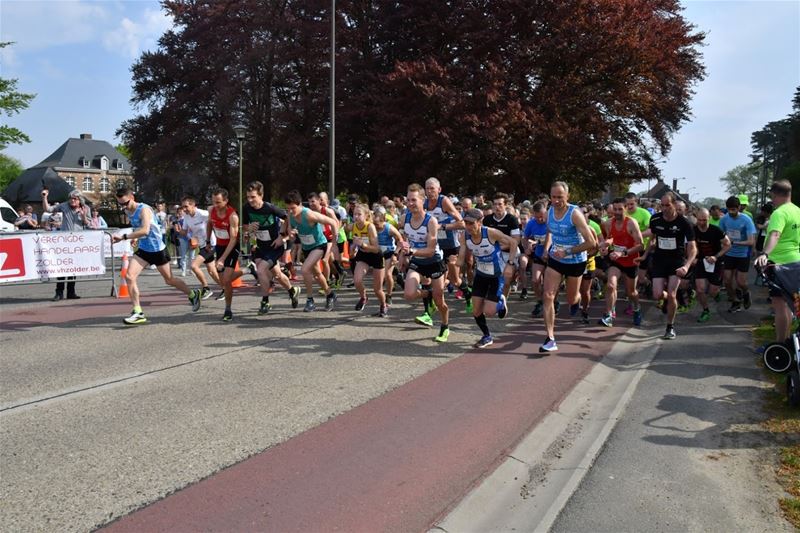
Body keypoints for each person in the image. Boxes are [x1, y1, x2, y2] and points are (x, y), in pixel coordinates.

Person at [111, 187, 201, 324]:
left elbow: (146, 230)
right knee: (129, 276)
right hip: (144, 250)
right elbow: (139, 228)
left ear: (132, 198)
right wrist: (135, 238)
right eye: (120, 204)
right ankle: (137, 311)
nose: (124, 206)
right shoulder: (128, 210)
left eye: (125, 203)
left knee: (169, 280)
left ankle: (193, 294)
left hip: (158, 250)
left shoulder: (144, 210)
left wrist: (125, 237)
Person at [540, 181, 597, 352]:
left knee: (572, 298)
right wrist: (547, 246)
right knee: (548, 295)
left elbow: (591, 242)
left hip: (575, 261)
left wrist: (568, 251)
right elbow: (550, 230)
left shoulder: (574, 214)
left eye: (560, 197)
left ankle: (576, 301)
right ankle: (550, 338)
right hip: (556, 259)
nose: (557, 201)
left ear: (568, 197)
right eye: (554, 197)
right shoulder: (550, 211)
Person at [640, 192, 697, 339]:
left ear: (674, 205)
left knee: (671, 293)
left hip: (676, 261)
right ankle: (671, 299)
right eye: (662, 205)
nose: (664, 208)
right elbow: (652, 240)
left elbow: (692, 247)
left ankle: (670, 327)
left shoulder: (684, 223)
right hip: (659, 260)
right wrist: (645, 255)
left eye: (667, 205)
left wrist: (687, 265)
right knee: (657, 294)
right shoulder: (656, 219)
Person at [458, 208, 518, 348]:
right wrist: (455, 262)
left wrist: (510, 264)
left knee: (489, 312)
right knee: (476, 310)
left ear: (480, 222)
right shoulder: (464, 236)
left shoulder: (491, 233)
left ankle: (501, 301)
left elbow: (513, 243)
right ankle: (487, 336)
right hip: (481, 275)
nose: (468, 227)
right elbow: (461, 260)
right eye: (466, 223)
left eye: (471, 223)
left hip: (496, 276)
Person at [242, 181, 301, 314]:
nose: (250, 200)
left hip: (274, 246)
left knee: (261, 270)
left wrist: (282, 236)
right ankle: (292, 290)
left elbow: (288, 218)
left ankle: (265, 301)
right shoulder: (246, 208)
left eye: (253, 197)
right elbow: (246, 227)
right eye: (248, 197)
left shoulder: (270, 208)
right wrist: (248, 230)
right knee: (278, 275)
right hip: (261, 246)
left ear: (261, 195)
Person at [402, 183, 450, 342]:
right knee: (409, 293)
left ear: (423, 200)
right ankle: (429, 294)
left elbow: (430, 250)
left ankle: (445, 326)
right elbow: (405, 240)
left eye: (414, 200)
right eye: (408, 200)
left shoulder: (431, 221)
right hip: (417, 262)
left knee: (440, 301)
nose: (410, 203)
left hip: (434, 261)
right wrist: (402, 253)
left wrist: (412, 251)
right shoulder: (404, 218)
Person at [755, 180, 800, 344]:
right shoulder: (797, 210)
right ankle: (787, 342)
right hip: (796, 262)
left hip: (779, 264)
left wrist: (765, 253)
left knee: (780, 306)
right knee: (788, 305)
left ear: (776, 194)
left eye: (771, 196)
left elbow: (775, 235)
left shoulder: (779, 213)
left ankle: (780, 345)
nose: (771, 200)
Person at [282, 189, 339, 312]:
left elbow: (333, 222)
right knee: (318, 275)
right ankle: (330, 294)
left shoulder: (308, 214)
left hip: (320, 245)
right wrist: (291, 234)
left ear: (300, 204)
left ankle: (310, 300)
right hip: (307, 247)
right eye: (288, 209)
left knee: (305, 269)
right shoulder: (290, 215)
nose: (291, 211)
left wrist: (334, 243)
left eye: (293, 208)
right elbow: (290, 235)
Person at [424, 177, 469, 311]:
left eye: (432, 188)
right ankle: (434, 307)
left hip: (450, 244)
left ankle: (468, 294)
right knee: (435, 280)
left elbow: (461, 223)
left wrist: (441, 226)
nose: (430, 191)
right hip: (435, 246)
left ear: (439, 189)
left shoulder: (443, 201)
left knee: (455, 280)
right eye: (427, 188)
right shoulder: (424, 203)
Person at [598, 198, 645, 327]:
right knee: (611, 285)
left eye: (620, 209)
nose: (617, 212)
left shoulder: (631, 223)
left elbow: (640, 245)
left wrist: (623, 253)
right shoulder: (608, 223)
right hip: (616, 261)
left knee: (631, 292)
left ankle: (637, 308)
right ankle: (608, 315)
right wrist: (605, 247)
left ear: (626, 209)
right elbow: (610, 238)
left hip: (631, 261)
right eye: (615, 209)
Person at [42, 188, 92, 300]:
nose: (72, 201)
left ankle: (71, 292)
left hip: (77, 241)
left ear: (80, 200)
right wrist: (44, 197)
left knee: (73, 267)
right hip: (65, 241)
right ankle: (59, 292)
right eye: (71, 199)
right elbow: (48, 209)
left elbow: (88, 224)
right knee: (63, 267)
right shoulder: (64, 206)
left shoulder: (86, 208)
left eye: (75, 199)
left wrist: (83, 216)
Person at [206, 188, 245, 321]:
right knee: (223, 281)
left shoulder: (232, 215)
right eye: (213, 202)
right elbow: (209, 224)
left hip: (232, 246)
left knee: (227, 280)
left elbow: (233, 239)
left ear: (226, 201)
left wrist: (222, 258)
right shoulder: (211, 210)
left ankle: (228, 309)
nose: (215, 205)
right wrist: (207, 240)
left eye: (218, 202)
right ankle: (247, 270)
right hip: (220, 245)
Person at [692, 208, 731, 322]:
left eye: (704, 220)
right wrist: (692, 258)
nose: (702, 223)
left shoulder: (716, 230)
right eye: (699, 220)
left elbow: (728, 245)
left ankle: (716, 294)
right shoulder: (693, 230)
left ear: (709, 218)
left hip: (716, 262)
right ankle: (705, 310)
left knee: (712, 291)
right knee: (700, 289)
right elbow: (689, 245)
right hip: (700, 262)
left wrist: (716, 256)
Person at [719, 195, 757, 312]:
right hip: (729, 254)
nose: (731, 212)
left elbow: (751, 241)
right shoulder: (724, 219)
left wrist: (734, 242)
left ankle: (746, 292)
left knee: (741, 282)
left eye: (734, 209)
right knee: (727, 281)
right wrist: (723, 245)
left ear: (739, 207)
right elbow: (720, 236)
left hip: (742, 254)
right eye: (729, 209)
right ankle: (735, 300)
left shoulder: (746, 220)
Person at [180, 195, 220, 300]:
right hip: (202, 245)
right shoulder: (186, 217)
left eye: (186, 207)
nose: (184, 209)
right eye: (183, 207)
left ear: (193, 205)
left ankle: (206, 288)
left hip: (210, 244)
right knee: (212, 271)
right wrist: (179, 230)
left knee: (194, 266)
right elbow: (184, 231)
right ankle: (226, 288)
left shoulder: (202, 214)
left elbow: (216, 217)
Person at [350, 203, 387, 315]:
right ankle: (364, 297)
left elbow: (376, 248)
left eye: (359, 214)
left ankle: (383, 304)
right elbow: (354, 246)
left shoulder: (370, 226)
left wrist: (363, 245)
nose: (356, 217)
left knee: (377, 289)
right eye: (354, 214)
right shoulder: (353, 226)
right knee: (357, 280)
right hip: (363, 255)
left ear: (366, 215)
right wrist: (352, 248)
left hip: (376, 256)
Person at [482, 193, 521, 298]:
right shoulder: (487, 220)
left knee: (506, 281)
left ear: (506, 205)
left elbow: (516, 240)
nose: (497, 207)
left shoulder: (512, 219)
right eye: (495, 204)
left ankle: (502, 302)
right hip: (492, 253)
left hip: (509, 253)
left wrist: (501, 246)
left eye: (500, 204)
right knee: (490, 281)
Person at [373, 205, 404, 309]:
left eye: (377, 225)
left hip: (389, 252)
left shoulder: (389, 228)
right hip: (377, 253)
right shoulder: (371, 227)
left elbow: (400, 241)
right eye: (374, 224)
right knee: (379, 277)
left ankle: (389, 295)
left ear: (383, 221)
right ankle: (396, 273)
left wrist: (396, 254)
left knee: (387, 275)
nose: (376, 227)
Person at [524, 200, 549, 318]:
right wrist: (527, 248)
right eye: (537, 217)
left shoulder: (551, 222)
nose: (540, 219)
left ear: (546, 213)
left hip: (553, 257)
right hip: (538, 255)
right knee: (535, 280)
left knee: (549, 284)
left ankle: (554, 302)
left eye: (542, 217)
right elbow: (525, 238)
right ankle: (540, 301)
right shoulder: (531, 223)